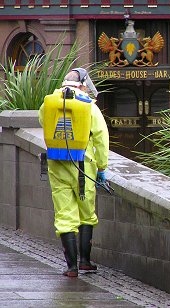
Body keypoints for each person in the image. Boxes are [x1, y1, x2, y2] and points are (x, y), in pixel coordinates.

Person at [38, 68, 109, 277]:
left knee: (64, 215)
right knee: (87, 213)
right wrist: (102, 168)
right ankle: (85, 261)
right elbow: (101, 138)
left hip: (57, 165)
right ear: (83, 84)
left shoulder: (50, 102)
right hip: (83, 166)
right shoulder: (89, 106)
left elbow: (44, 122)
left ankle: (71, 267)